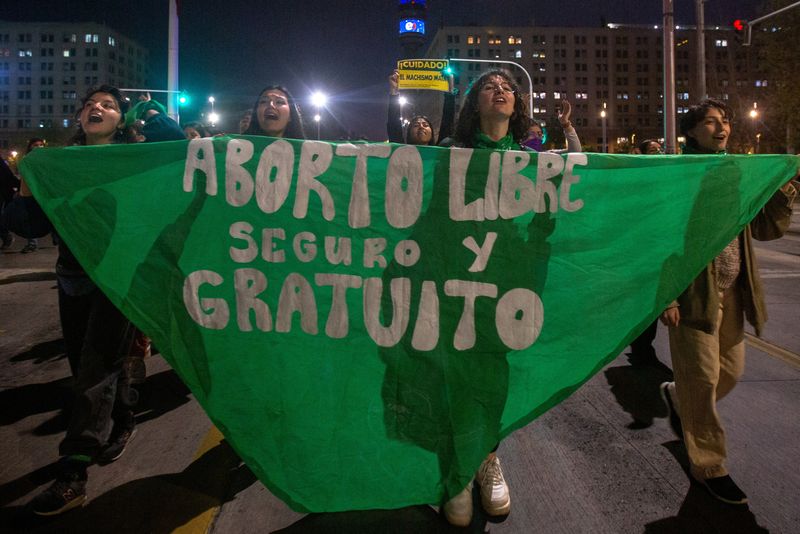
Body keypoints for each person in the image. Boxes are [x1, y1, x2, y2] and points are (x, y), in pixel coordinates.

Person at [9, 85, 184, 516]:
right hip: (72, 278)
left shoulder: (133, 158)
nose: (96, 109)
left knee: (96, 370)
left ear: (121, 121)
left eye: (107, 106)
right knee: (86, 367)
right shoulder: (61, 164)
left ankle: (73, 474)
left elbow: (178, 150)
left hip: (118, 277)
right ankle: (123, 418)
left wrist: (151, 110)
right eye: (89, 105)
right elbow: (30, 226)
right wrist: (28, 190)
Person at [439, 69, 570, 526]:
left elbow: (543, 225)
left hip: (504, 286)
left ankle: (486, 460)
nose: (501, 91)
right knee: (457, 374)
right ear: (474, 103)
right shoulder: (449, 157)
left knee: (492, 377)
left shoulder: (531, 161)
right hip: (454, 283)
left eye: (508, 88)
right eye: (490, 87)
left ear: (517, 106)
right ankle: (457, 470)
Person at [659, 98, 796, 505]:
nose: (722, 128)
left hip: (734, 291)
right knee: (702, 381)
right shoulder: (679, 174)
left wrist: (783, 185)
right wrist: (667, 295)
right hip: (694, 295)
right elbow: (661, 238)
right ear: (691, 131)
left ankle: (679, 398)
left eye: (725, 122)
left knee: (729, 374)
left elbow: (764, 228)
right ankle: (709, 466)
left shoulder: (739, 172)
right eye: (711, 122)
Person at [387, 69, 455, 146]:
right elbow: (394, 127)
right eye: (416, 125)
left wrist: (450, 91)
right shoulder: (400, 150)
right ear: (409, 133)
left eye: (425, 125)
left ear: (432, 133)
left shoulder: (441, 151)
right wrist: (394, 91)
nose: (421, 127)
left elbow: (448, 123)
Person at [17, 138, 47, 253]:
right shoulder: (26, 160)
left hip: (44, 192)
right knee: (31, 218)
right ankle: (32, 243)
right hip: (31, 193)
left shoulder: (46, 159)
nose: (39, 147)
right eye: (36, 145)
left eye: (41, 145)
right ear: (30, 146)